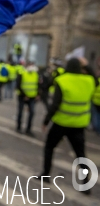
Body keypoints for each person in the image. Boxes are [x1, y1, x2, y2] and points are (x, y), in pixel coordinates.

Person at [38, 58, 96, 192]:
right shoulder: (89, 80)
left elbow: (55, 105)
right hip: (79, 124)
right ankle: (86, 184)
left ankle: (46, 174)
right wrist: (87, 64)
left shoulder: (62, 80)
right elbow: (94, 77)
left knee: (49, 147)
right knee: (80, 154)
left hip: (61, 123)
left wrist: (46, 121)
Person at [16, 62, 39, 136]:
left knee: (32, 112)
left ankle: (28, 129)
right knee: (20, 112)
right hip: (22, 97)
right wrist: (24, 95)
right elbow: (18, 85)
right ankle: (18, 127)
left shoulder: (36, 75)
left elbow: (38, 85)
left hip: (32, 97)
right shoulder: (22, 73)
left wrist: (38, 94)